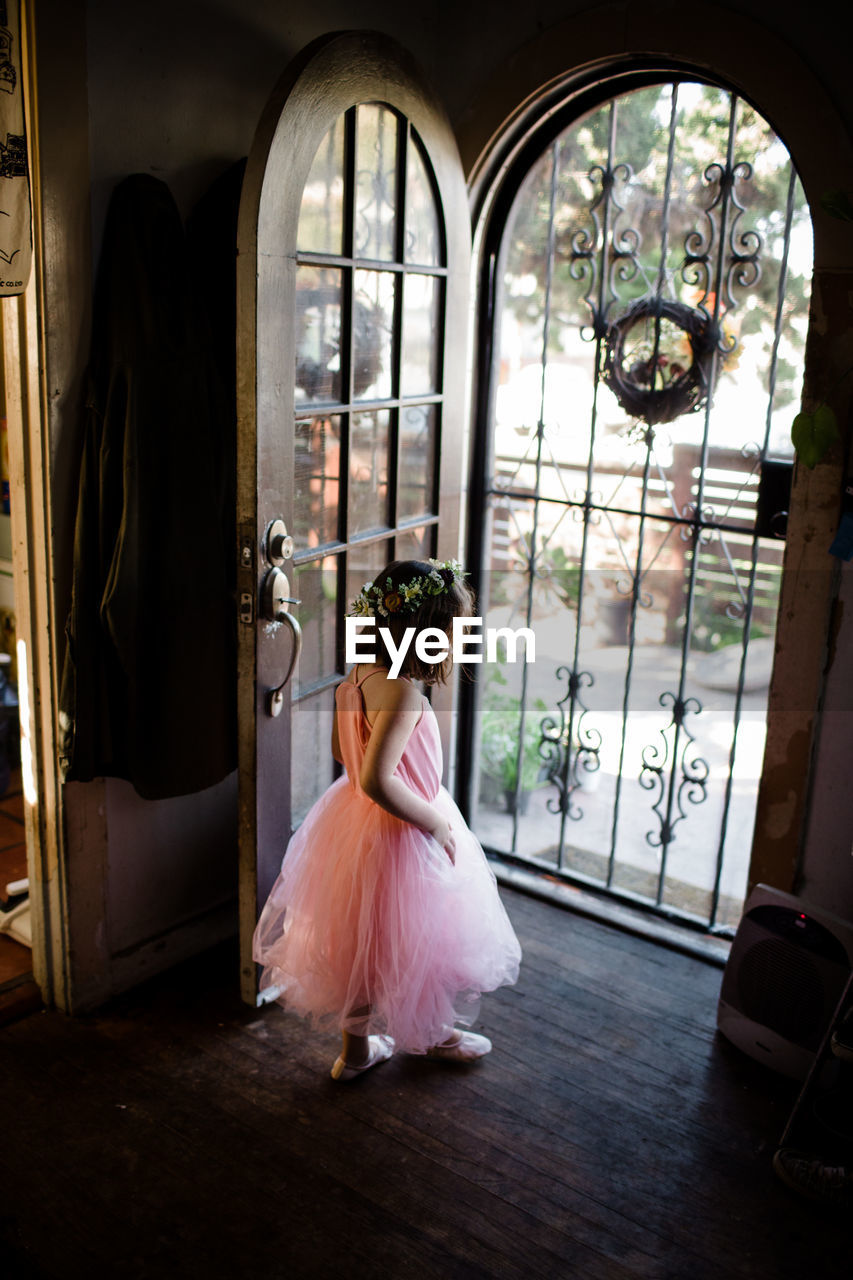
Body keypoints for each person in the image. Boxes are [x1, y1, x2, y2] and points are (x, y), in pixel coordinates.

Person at [253, 558, 522, 1080]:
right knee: (423, 939)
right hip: (404, 830)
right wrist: (436, 824)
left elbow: (343, 752)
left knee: (363, 948)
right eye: (449, 631)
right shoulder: (402, 694)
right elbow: (380, 780)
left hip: (355, 826)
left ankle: (355, 1054)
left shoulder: (357, 679)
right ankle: (434, 1032)